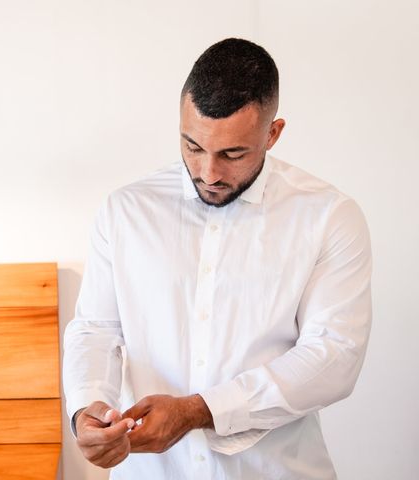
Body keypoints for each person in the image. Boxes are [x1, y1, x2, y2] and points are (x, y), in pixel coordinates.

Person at [63, 38, 372, 479]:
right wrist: (86, 409)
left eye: (232, 154)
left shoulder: (329, 217)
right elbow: (95, 329)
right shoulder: (125, 211)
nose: (208, 173)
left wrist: (198, 411)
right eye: (192, 146)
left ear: (273, 133)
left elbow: (334, 357)